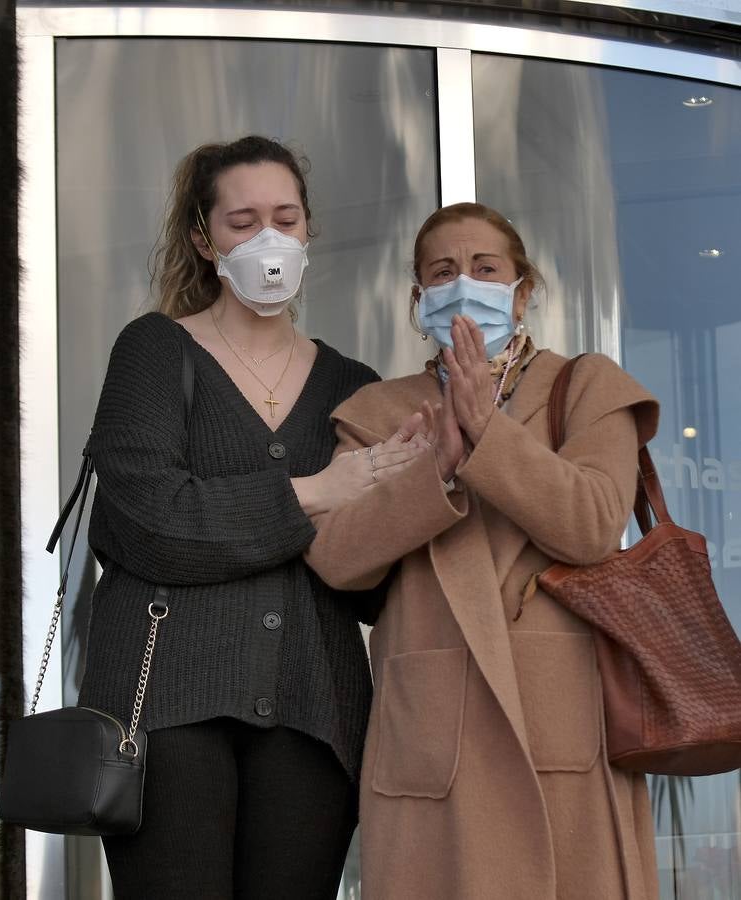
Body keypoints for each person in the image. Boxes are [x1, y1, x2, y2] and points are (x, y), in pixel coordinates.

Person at [78, 135, 424, 900]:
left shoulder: (353, 383)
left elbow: (365, 578)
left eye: (284, 216)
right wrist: (315, 492)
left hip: (315, 706)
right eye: (241, 221)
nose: (267, 238)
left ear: (308, 231)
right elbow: (151, 524)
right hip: (165, 701)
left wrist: (425, 483)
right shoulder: (154, 350)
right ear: (204, 239)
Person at [305, 202, 661, 900]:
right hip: (435, 730)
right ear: (417, 298)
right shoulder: (377, 411)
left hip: (563, 721)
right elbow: (336, 557)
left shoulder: (586, 388)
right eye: (442, 271)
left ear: (522, 289)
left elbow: (592, 524)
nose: (463, 284)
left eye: (485, 267)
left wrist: (485, 434)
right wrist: (436, 466)